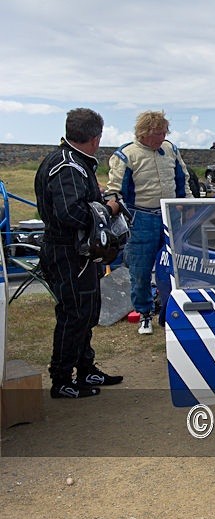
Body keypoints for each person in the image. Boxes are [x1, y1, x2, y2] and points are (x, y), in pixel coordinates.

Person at [34, 108, 123, 398]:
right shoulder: (68, 166)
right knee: (74, 314)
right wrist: (107, 209)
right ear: (96, 138)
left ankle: (85, 369)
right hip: (67, 252)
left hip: (80, 252)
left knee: (86, 312)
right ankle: (61, 379)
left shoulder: (74, 162)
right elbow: (69, 213)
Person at [106, 111, 190, 335]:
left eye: (164, 132)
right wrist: (124, 218)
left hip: (171, 214)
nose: (162, 137)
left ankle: (172, 309)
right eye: (158, 133)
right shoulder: (126, 155)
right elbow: (115, 191)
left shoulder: (170, 149)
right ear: (145, 133)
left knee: (177, 265)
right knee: (140, 269)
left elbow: (183, 178)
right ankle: (144, 313)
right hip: (140, 218)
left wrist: (188, 206)